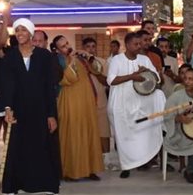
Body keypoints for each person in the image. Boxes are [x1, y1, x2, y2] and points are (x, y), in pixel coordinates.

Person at [0, 19, 60, 195]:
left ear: (31, 33)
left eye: (23, 30)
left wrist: (51, 114)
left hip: (41, 111)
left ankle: (49, 192)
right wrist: (7, 109)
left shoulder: (44, 56)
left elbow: (49, 87)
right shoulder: (10, 57)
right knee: (15, 150)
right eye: (17, 30)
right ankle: (10, 192)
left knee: (44, 150)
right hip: (18, 112)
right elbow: (6, 84)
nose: (20, 33)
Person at [107, 31, 165, 178]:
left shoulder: (144, 59)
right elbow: (111, 80)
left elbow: (157, 79)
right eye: (136, 44)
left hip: (140, 103)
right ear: (127, 45)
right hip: (121, 103)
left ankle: (141, 160)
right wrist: (132, 76)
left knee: (141, 132)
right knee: (123, 135)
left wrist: (147, 72)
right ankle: (126, 165)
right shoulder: (117, 60)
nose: (139, 46)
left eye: (140, 43)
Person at [53, 35, 102, 181]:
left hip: (86, 100)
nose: (67, 47)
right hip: (69, 101)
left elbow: (98, 70)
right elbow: (68, 79)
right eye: (63, 46)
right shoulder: (57, 61)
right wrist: (73, 60)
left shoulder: (81, 57)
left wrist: (89, 57)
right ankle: (70, 171)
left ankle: (90, 169)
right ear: (57, 50)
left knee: (89, 132)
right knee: (72, 134)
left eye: (67, 43)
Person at [77, 36, 111, 165]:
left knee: (104, 130)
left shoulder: (102, 62)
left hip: (101, 100)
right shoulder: (77, 62)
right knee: (86, 131)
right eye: (88, 47)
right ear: (83, 48)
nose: (91, 49)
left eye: (93, 46)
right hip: (84, 102)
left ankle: (106, 159)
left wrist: (94, 69)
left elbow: (107, 82)